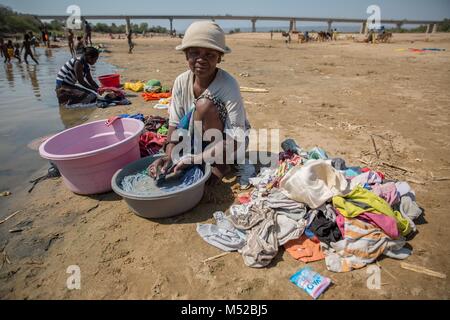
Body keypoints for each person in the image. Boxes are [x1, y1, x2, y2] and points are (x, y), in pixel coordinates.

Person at [148, 21, 250, 182]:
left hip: (229, 145)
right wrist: (169, 156)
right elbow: (174, 125)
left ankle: (220, 166)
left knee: (204, 105)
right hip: (197, 142)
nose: (201, 60)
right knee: (173, 167)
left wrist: (196, 159)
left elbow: (235, 138)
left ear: (219, 58)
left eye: (210, 55)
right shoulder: (181, 82)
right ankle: (198, 158)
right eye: (195, 53)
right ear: (186, 55)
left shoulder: (228, 85)